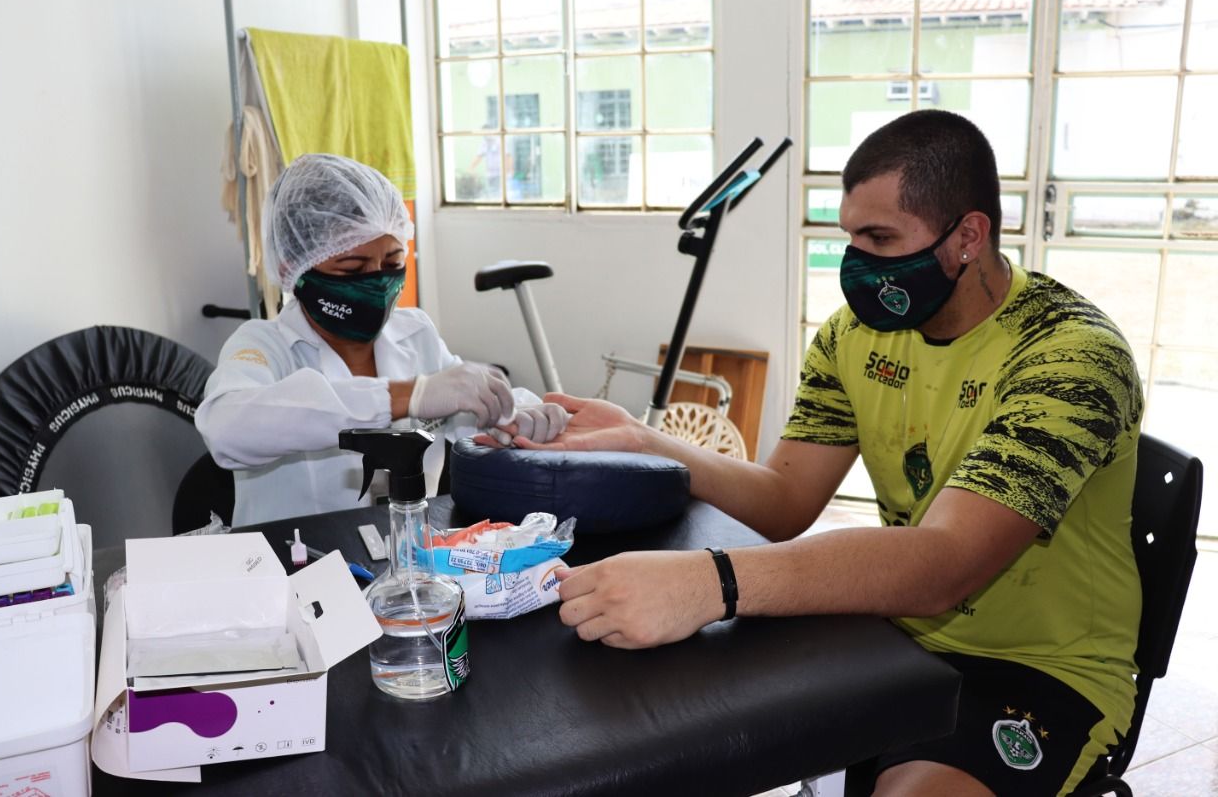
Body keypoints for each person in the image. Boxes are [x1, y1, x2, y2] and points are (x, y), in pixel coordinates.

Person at [504, 111, 1143, 796]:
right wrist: (644, 438)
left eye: (880, 238)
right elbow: (784, 500)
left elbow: (946, 563)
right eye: (849, 237)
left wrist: (710, 581)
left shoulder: (1069, 357)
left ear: (968, 236)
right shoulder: (853, 337)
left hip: (1038, 667)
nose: (856, 264)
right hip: (893, 637)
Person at [196, 153, 567, 527]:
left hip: (408, 558)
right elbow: (226, 429)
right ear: (293, 267)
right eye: (353, 269)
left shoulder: (416, 333)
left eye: (391, 264)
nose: (376, 281)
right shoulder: (264, 346)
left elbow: (469, 412)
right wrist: (407, 396)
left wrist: (516, 413)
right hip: (294, 568)